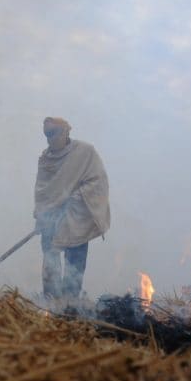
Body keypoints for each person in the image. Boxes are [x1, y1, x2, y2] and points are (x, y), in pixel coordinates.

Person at [34, 117, 110, 300]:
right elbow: (42, 191)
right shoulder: (46, 159)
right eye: (46, 134)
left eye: (52, 133)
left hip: (78, 217)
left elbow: (98, 182)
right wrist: (42, 214)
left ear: (65, 132)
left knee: (74, 263)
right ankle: (51, 303)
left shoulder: (85, 152)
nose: (49, 139)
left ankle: (71, 305)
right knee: (50, 261)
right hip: (51, 218)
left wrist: (75, 198)